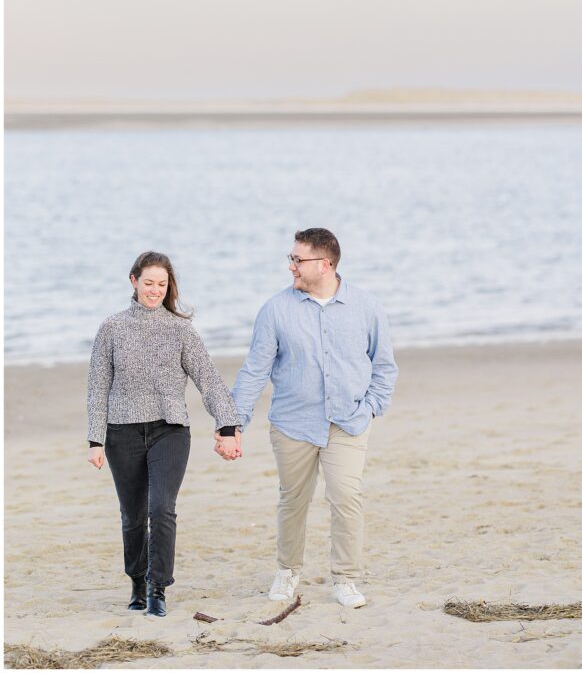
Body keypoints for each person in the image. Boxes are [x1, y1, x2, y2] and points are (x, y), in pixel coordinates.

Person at [215, 228, 398, 609]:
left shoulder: (366, 307)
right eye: (291, 258)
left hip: (348, 422)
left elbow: (384, 367)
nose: (291, 266)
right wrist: (231, 426)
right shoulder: (276, 310)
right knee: (293, 500)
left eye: (298, 260)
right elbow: (254, 371)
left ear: (325, 264)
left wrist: (371, 407)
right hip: (293, 424)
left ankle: (345, 579)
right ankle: (287, 571)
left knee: (347, 497)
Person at [87, 251, 241, 617]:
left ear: (169, 285)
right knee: (133, 516)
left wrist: (228, 426)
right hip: (121, 434)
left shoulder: (180, 329)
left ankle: (159, 588)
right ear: (133, 281)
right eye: (148, 283)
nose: (155, 291)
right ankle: (137, 584)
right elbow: (97, 386)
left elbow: (209, 379)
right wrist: (95, 439)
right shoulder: (112, 327)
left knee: (162, 508)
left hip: (169, 430)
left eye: (162, 284)